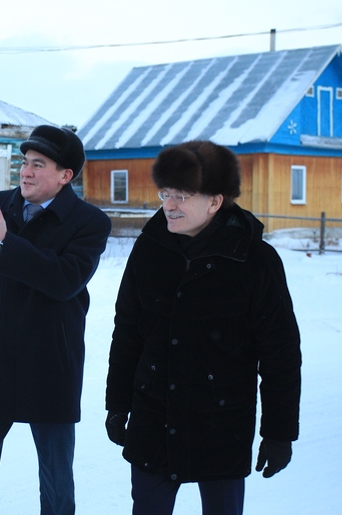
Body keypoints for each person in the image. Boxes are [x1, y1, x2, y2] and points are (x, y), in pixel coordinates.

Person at [105, 141, 301, 515]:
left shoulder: (255, 260)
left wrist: (279, 433)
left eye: (181, 195)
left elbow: (280, 354)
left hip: (221, 426)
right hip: (154, 420)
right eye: (165, 193)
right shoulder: (149, 249)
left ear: (215, 201)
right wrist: (117, 404)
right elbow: (128, 330)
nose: (169, 205)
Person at [0, 125, 112, 515]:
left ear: (65, 175)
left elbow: (64, 280)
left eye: (38, 164)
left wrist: (4, 242)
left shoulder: (89, 222)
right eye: (25, 162)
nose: (26, 172)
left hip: (51, 365)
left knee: (56, 483)